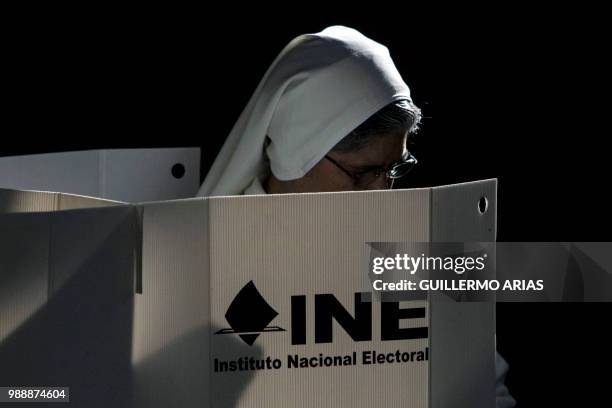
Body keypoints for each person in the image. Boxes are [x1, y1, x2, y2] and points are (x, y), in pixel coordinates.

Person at [197, 25, 515, 407]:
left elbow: (485, 387)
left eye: (393, 170)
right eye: (362, 173)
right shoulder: (209, 260)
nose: (381, 194)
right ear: (299, 151)